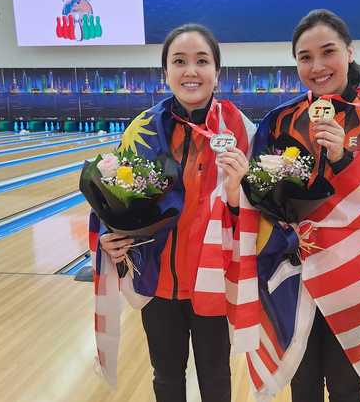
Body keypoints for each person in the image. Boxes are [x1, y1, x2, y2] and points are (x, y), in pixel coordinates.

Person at [246, 9, 360, 402]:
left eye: (328, 52)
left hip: (355, 279)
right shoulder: (279, 121)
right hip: (294, 278)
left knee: (345, 387)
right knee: (302, 385)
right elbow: (259, 195)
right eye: (305, 57)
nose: (317, 66)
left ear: (350, 52)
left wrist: (342, 156)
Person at [96, 23, 256, 402]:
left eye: (202, 61)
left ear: (217, 71)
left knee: (216, 379)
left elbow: (259, 212)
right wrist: (110, 237)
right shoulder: (142, 129)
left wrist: (237, 193)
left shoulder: (239, 129)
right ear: (165, 71)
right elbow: (113, 198)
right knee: (166, 378)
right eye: (179, 61)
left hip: (214, 281)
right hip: (159, 283)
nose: (191, 71)